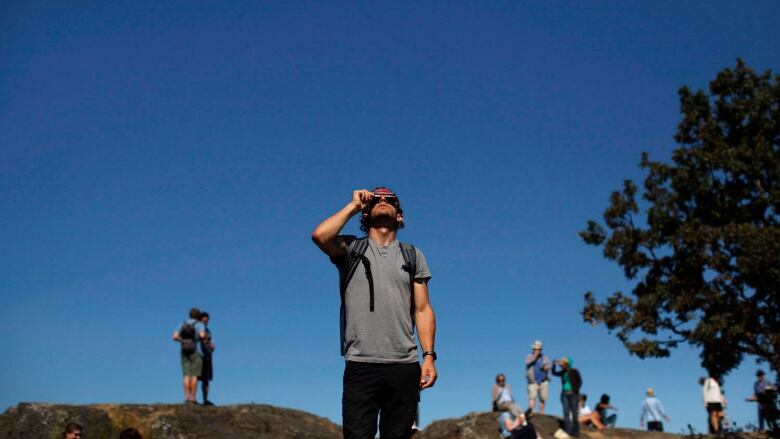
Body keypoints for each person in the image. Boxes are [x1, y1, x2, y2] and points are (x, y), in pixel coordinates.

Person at [311, 187, 437, 439]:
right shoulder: (350, 249)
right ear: (365, 214)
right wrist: (353, 205)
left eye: (389, 199)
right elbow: (320, 236)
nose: (381, 200)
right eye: (376, 198)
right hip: (361, 363)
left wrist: (429, 357)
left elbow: (422, 310)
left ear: (399, 216)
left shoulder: (413, 255)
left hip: (404, 365)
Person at [172, 307, 206, 404]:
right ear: (198, 316)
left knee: (186, 375)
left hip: (184, 350)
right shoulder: (200, 324)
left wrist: (183, 340)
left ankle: (187, 397)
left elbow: (174, 336)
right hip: (197, 350)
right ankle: (193, 398)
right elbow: (202, 335)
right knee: (194, 375)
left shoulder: (182, 324)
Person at [552, 356, 582, 438]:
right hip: (565, 394)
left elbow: (580, 381)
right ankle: (568, 431)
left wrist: (575, 390)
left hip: (573, 394)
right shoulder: (563, 372)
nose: (562, 366)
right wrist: (554, 365)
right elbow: (554, 373)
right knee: (566, 413)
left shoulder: (574, 371)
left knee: (574, 413)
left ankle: (575, 432)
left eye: (564, 364)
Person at [524, 340, 551, 415]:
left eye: (538, 349)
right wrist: (535, 357)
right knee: (532, 397)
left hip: (543, 380)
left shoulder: (545, 357)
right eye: (535, 349)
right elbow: (527, 362)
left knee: (543, 398)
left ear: (541, 349)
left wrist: (546, 367)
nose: (536, 350)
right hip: (532, 381)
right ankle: (531, 412)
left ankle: (541, 413)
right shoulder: (529, 356)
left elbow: (549, 366)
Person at [199, 311, 216, 406]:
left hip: (208, 356)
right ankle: (191, 399)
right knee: (195, 377)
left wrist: (212, 346)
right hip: (199, 355)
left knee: (206, 379)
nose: (205, 322)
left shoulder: (208, 331)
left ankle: (205, 399)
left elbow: (210, 343)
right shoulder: (196, 329)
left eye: (207, 321)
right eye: (204, 321)